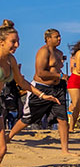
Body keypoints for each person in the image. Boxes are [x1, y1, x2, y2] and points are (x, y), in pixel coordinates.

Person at [0, 20, 61, 165]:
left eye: (18, 41)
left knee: (2, 149)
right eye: (13, 42)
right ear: (1, 42)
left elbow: (21, 82)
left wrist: (41, 94)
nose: (17, 45)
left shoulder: (10, 60)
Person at [8, 28, 72, 157]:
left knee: (62, 118)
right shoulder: (43, 52)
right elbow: (40, 73)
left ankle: (65, 150)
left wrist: (63, 77)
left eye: (59, 36)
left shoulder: (59, 53)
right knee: (28, 118)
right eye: (56, 37)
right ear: (48, 38)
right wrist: (59, 76)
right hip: (41, 88)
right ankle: (8, 137)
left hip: (58, 89)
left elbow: (56, 71)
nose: (59, 39)